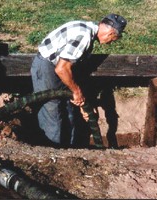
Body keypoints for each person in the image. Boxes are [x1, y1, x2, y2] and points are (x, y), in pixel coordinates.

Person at [30, 13, 127, 146]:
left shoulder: (88, 31)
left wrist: (82, 103)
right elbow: (61, 69)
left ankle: (70, 151)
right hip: (47, 67)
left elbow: (71, 68)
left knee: (70, 109)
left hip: (60, 69)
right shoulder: (84, 36)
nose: (110, 43)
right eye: (114, 39)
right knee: (52, 111)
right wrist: (76, 92)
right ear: (110, 33)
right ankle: (52, 153)